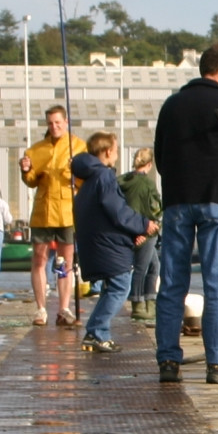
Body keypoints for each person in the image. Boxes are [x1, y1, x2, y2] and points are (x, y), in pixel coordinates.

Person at [154, 42, 218, 383]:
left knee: (172, 284)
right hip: (215, 203)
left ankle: (168, 362)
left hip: (176, 202)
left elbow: (159, 157)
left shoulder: (171, 106)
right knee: (216, 284)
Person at [69, 132, 157, 353]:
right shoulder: (104, 177)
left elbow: (105, 215)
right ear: (108, 151)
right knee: (120, 286)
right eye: (116, 150)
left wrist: (130, 234)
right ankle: (97, 332)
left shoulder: (89, 179)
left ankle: (97, 332)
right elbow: (118, 212)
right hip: (107, 245)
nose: (117, 155)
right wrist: (143, 224)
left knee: (113, 287)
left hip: (99, 242)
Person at [19, 105, 86, 327]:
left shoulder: (79, 147)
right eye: (50, 123)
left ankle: (63, 308)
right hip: (43, 212)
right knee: (39, 259)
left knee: (64, 262)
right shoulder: (36, 150)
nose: (54, 127)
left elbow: (86, 181)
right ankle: (41, 309)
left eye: (58, 122)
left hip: (68, 213)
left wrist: (77, 172)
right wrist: (26, 169)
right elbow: (31, 181)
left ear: (66, 122)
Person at [119, 148, 162, 322]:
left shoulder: (122, 181)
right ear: (150, 164)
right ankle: (138, 305)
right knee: (141, 269)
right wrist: (151, 229)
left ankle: (150, 303)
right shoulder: (147, 184)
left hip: (128, 229)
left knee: (154, 266)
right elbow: (155, 208)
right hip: (147, 231)